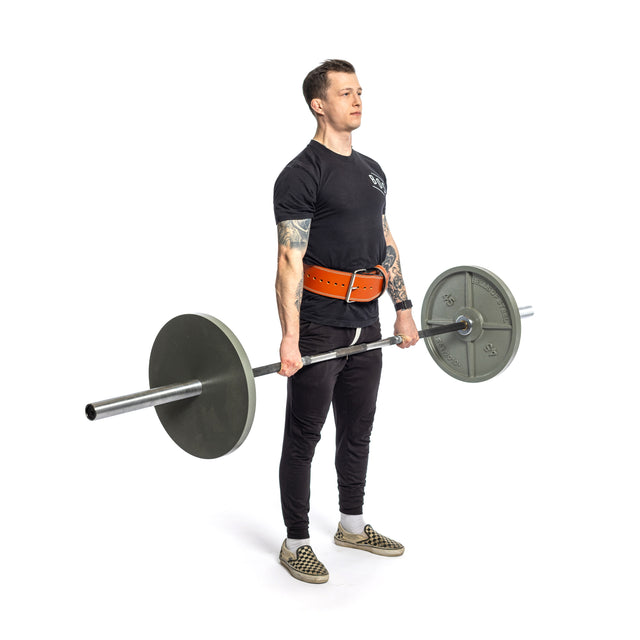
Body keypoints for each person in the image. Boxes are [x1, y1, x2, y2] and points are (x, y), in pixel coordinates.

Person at [273, 59, 419, 584]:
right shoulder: (300, 173)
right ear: (319, 104)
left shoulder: (373, 169)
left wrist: (403, 309)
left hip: (368, 318)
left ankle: (352, 527)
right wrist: (290, 338)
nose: (357, 101)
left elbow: (385, 242)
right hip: (319, 322)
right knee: (304, 434)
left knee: (358, 428)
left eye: (360, 92)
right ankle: (296, 542)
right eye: (345, 94)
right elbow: (290, 260)